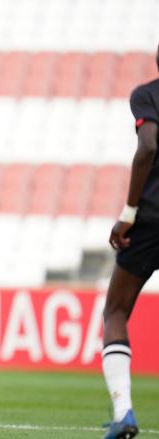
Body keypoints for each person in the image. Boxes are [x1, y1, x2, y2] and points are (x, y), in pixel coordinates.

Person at [100, 47, 159, 439]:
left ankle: (124, 412)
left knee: (116, 311)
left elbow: (149, 145)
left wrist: (129, 212)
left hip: (152, 217)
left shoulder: (148, 95)